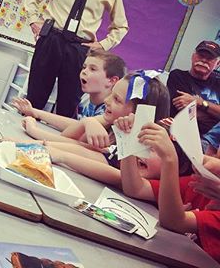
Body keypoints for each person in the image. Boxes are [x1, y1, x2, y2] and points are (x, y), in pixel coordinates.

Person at [23, 0, 128, 118]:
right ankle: (21, 138)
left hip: (79, 49)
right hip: (51, 41)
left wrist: (103, 45)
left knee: (68, 102)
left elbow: (121, 26)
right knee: (35, 96)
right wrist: (34, 21)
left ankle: (56, 144)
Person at [22, 72, 170, 186]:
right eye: (111, 95)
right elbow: (79, 144)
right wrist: (38, 135)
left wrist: (55, 151)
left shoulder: (149, 151)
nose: (107, 100)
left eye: (116, 99)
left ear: (140, 113)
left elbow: (124, 179)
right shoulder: (114, 125)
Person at [118, 121, 220, 262]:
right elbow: (136, 188)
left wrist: (169, 158)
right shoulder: (203, 183)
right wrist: (128, 139)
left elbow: (173, 221)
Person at [12, 49, 125, 131]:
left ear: (111, 80)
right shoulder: (85, 98)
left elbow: (79, 127)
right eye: (84, 67)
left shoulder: (111, 109)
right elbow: (74, 127)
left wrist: (36, 113)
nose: (84, 71)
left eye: (93, 69)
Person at [167, 40, 220, 139]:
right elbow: (183, 113)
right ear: (193, 56)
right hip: (180, 136)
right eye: (200, 55)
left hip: (211, 145)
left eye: (210, 58)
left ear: (218, 64)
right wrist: (214, 115)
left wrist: (198, 102)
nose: (204, 60)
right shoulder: (178, 76)